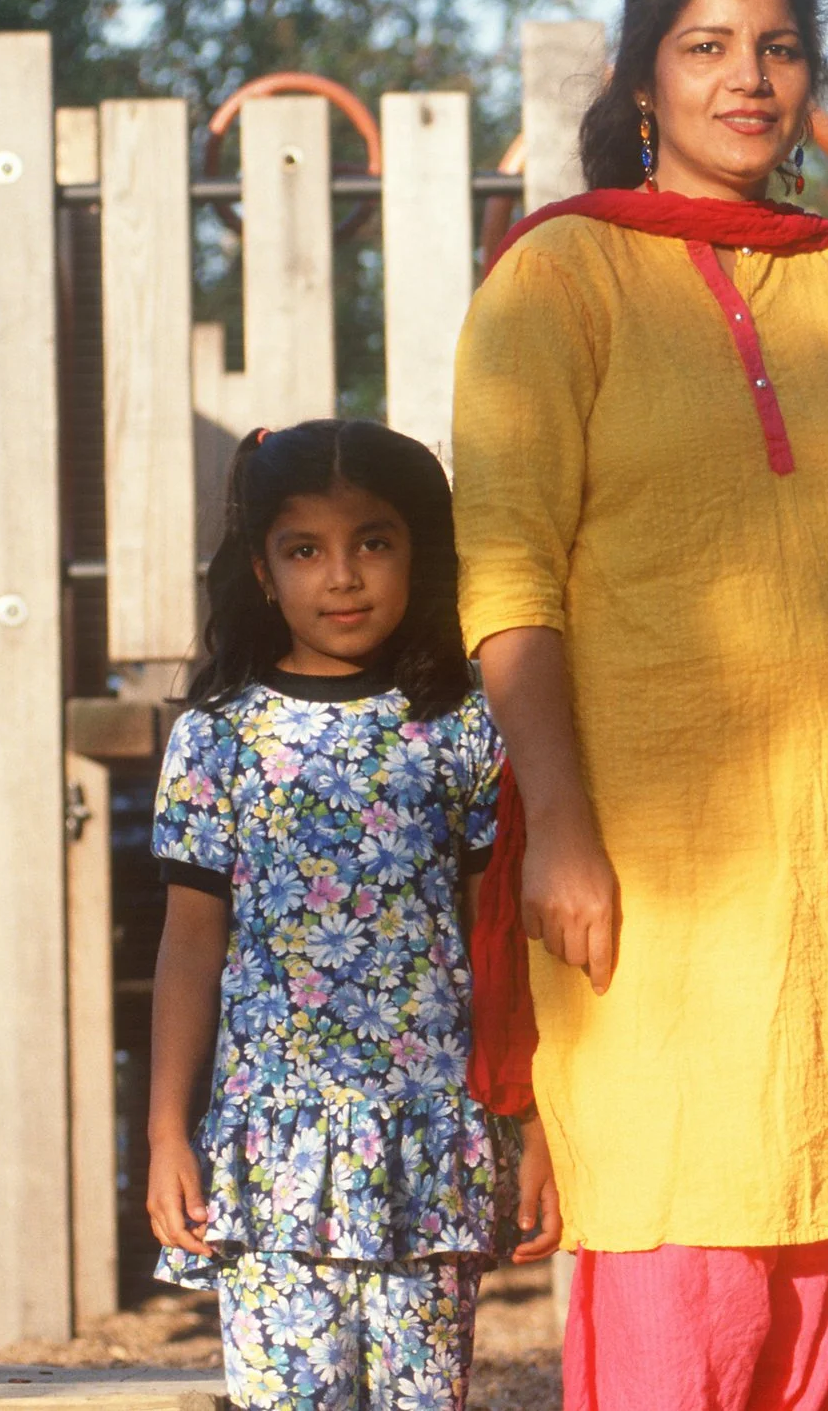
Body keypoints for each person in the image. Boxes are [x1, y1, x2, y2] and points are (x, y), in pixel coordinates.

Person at [451, 0, 828, 1411]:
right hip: (646, 855)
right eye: (706, 46)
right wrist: (557, 823)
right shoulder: (559, 277)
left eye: (777, 48)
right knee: (674, 1228)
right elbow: (505, 571)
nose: (746, 79)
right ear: (642, 80)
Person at [144, 420, 557, 1410]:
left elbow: (497, 947)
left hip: (428, 1136)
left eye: (372, 541)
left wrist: (536, 1122)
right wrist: (166, 1129)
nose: (342, 575)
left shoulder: (464, 727)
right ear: (261, 567)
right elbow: (190, 943)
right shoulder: (218, 735)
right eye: (305, 549)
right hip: (270, 1144)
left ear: (419, 549)